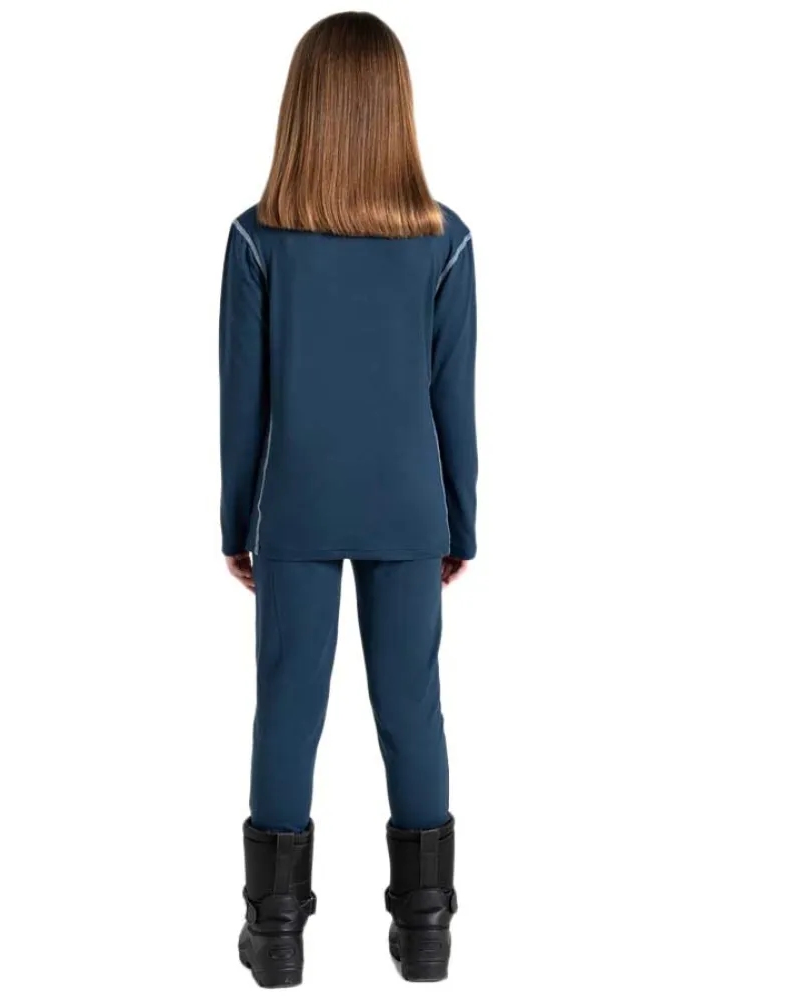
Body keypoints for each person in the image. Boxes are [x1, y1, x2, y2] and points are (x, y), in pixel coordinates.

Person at [219, 12, 476, 987]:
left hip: (295, 506)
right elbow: (453, 398)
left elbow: (242, 399)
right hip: (409, 507)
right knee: (412, 710)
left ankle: (275, 935)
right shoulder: (445, 242)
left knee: (287, 709)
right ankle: (425, 931)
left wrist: (235, 521)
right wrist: (460, 521)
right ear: (394, 110)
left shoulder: (256, 241)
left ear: (305, 109)